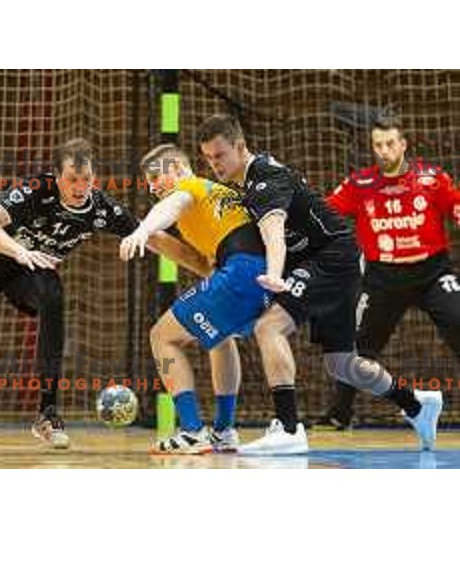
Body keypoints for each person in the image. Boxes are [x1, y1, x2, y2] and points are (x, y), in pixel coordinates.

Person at [0, 138, 208, 449]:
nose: (81, 188)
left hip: (27, 271)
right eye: (73, 180)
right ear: (56, 177)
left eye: (87, 179)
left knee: (53, 295)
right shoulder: (36, 189)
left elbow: (155, 238)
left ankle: (47, 415)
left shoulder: (100, 208)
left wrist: (206, 267)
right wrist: (18, 251)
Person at [197, 113, 443, 454]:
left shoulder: (265, 178)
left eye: (220, 155)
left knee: (269, 328)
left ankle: (288, 428)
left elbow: (274, 233)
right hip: (334, 260)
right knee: (341, 363)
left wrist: (273, 274)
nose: (214, 164)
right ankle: (415, 403)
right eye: (208, 158)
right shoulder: (241, 185)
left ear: (240, 146)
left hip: (331, 258)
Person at [120, 143, 272, 454]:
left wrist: (142, 229)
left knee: (161, 336)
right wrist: (150, 236)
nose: (151, 188)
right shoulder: (214, 198)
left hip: (242, 271)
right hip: (264, 276)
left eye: (155, 177)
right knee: (220, 338)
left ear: (176, 168)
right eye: (147, 183)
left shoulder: (189, 187)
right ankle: (224, 431)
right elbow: (202, 264)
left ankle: (191, 430)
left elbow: (172, 205)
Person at [321, 116, 460, 428]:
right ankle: (339, 414)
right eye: (377, 145)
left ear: (403, 145)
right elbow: (325, 212)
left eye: (389, 144)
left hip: (432, 273)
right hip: (383, 277)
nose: (383, 151)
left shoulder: (431, 179)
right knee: (355, 347)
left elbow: (455, 205)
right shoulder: (360, 184)